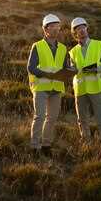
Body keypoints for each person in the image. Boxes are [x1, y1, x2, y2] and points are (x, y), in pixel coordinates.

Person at [27, 14, 70, 155]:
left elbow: (65, 68)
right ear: (45, 29)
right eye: (52, 27)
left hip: (56, 88)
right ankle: (34, 147)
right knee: (39, 116)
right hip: (41, 87)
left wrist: (70, 72)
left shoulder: (63, 48)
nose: (56, 29)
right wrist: (47, 74)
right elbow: (31, 68)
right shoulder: (37, 46)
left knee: (51, 118)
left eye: (58, 27)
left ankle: (46, 146)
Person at [69, 17, 101, 147]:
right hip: (80, 89)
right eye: (78, 29)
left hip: (96, 88)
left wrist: (95, 70)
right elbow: (74, 68)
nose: (81, 30)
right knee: (82, 120)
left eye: (83, 27)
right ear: (74, 33)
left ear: (87, 28)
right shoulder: (73, 51)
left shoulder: (100, 45)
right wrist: (68, 70)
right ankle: (86, 144)